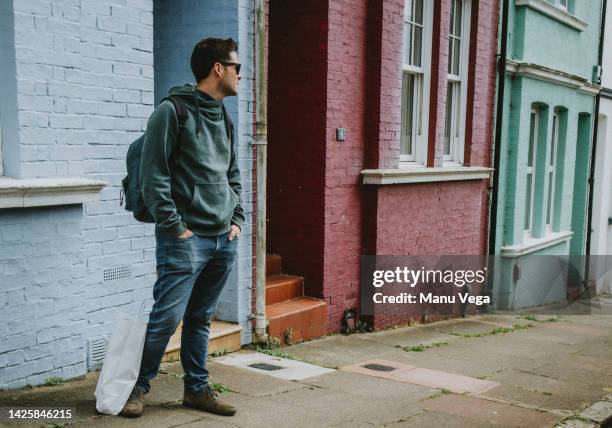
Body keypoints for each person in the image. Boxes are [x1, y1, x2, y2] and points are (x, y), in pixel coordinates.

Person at [120, 37, 244, 418]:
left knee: (200, 319)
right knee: (166, 318)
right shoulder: (171, 112)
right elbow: (153, 176)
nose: (241, 74)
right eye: (237, 66)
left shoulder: (223, 116)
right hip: (185, 238)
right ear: (218, 68)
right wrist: (175, 226)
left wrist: (236, 219)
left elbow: (232, 174)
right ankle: (134, 389)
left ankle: (197, 389)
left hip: (223, 237)